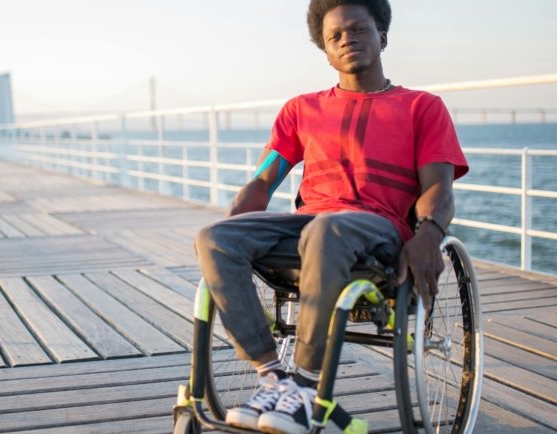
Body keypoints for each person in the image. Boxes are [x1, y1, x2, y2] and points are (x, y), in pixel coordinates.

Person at [194, 1, 469, 433]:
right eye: (335, 36)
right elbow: (265, 180)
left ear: (382, 36)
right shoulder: (301, 110)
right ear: (324, 50)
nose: (348, 40)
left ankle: (306, 384)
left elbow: (439, 186)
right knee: (214, 237)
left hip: (378, 229)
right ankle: (274, 376)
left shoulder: (422, 107)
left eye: (359, 30)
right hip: (313, 227)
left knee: (327, 228)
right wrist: (235, 226)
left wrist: (430, 232)